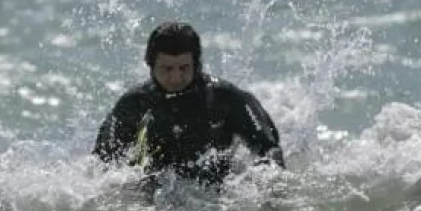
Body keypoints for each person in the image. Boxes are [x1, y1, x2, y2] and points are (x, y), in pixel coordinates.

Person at [93, 21, 285, 188]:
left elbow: (269, 150)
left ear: (197, 64)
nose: (176, 78)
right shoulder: (135, 104)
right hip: (154, 195)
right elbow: (102, 162)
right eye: (167, 69)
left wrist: (266, 186)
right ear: (150, 64)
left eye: (184, 68)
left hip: (218, 193)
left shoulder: (226, 98)